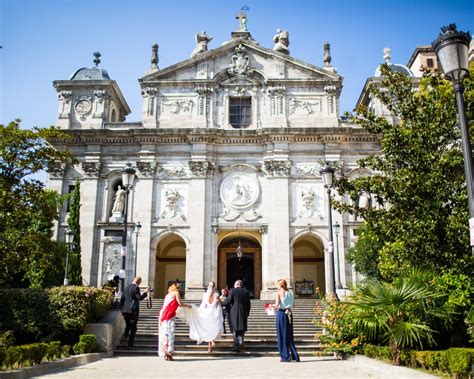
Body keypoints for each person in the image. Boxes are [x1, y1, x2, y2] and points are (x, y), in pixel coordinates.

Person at [178, 281, 224, 353]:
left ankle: (210, 347)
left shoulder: (206, 295)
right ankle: (211, 343)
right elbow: (218, 303)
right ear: (214, 287)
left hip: (208, 312)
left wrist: (199, 312)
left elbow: (204, 305)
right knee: (212, 328)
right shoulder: (216, 294)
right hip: (213, 313)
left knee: (208, 328)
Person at [158, 283, 191, 361]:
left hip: (163, 314)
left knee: (164, 333)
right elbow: (179, 303)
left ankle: (165, 351)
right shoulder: (176, 293)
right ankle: (169, 352)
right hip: (170, 314)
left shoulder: (168, 294)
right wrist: (187, 306)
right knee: (170, 333)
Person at [270, 279, 300, 362]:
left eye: (278, 285)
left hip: (281, 313)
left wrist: (270, 306)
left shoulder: (279, 293)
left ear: (281, 285)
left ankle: (285, 356)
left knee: (282, 335)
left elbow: (277, 305)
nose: (277, 286)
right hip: (289, 313)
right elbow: (293, 305)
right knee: (289, 335)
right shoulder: (290, 293)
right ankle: (295, 356)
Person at [120, 276, 149, 349]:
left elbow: (122, 299)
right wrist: (145, 293)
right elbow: (139, 298)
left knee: (128, 325)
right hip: (133, 311)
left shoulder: (126, 287)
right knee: (133, 328)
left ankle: (125, 338)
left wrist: (122, 309)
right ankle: (130, 345)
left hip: (125, 310)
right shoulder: (136, 288)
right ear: (139, 282)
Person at [225, 279, 251, 352]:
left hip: (234, 311)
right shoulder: (246, 292)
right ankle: (241, 342)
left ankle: (236, 346)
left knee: (235, 329)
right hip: (243, 311)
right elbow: (248, 304)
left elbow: (228, 301)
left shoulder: (232, 290)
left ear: (236, 284)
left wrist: (221, 303)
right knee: (241, 329)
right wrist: (247, 313)